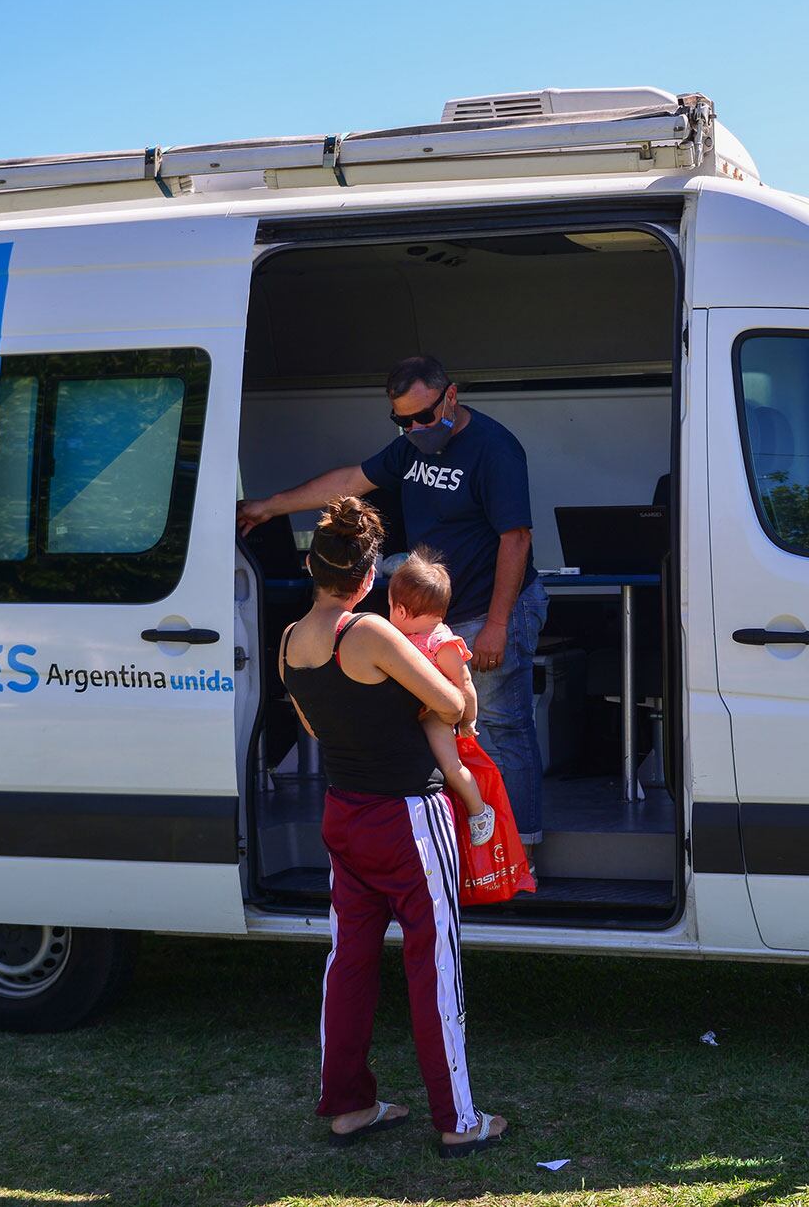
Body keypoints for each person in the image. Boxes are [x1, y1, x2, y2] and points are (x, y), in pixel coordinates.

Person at [241, 354, 551, 847]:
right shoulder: (410, 448)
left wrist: (498, 623)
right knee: (443, 731)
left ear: (451, 396)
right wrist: (267, 507)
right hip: (435, 618)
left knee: (503, 727)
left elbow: (516, 538)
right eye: (402, 420)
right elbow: (348, 483)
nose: (414, 428)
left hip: (489, 610)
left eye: (423, 417)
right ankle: (471, 851)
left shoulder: (494, 449)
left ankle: (523, 851)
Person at [279, 496, 508, 1157]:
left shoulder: (291, 641)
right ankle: (458, 1118)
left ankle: (348, 1105)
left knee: (349, 961)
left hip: (344, 814)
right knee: (435, 966)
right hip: (408, 817)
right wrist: (452, 676)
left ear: (311, 567)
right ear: (369, 576)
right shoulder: (370, 633)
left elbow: (316, 727)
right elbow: (455, 708)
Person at [386, 547, 494, 848]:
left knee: (450, 765)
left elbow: (465, 683)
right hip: (409, 711)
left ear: (401, 611)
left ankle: (479, 811)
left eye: (391, 606)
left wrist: (468, 720)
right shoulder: (402, 637)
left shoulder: (441, 642)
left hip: (435, 713)